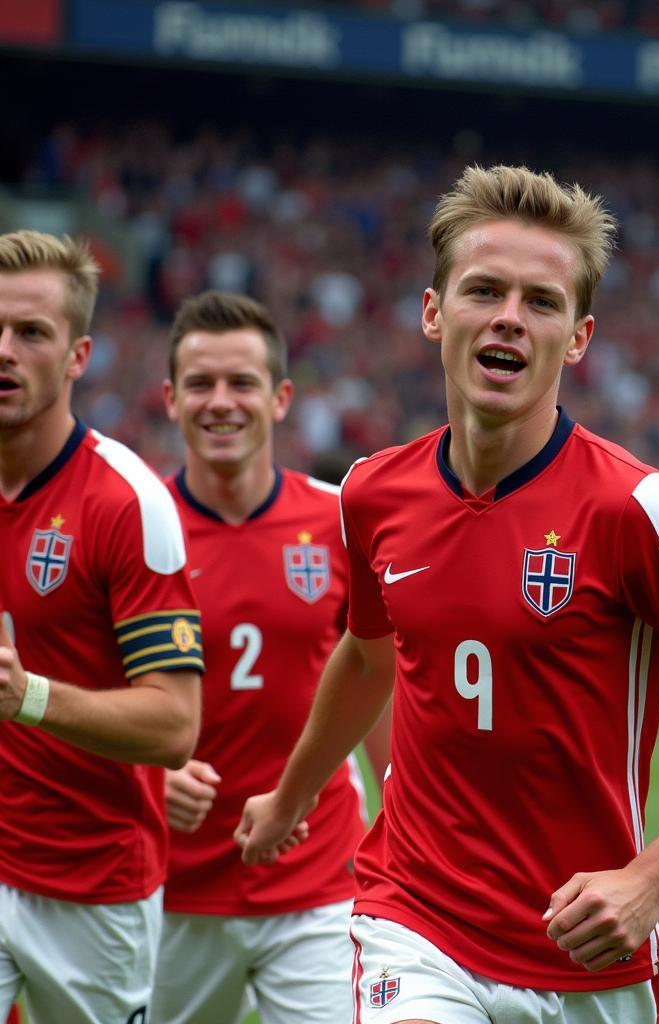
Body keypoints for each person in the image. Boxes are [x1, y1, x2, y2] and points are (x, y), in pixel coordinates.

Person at [235, 164, 659, 1023]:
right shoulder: (370, 494)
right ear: (435, 313)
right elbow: (366, 658)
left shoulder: (635, 508)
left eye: (541, 301)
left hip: (585, 948)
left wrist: (652, 877)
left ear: (577, 338)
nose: (510, 316)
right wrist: (291, 796)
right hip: (415, 920)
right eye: (484, 290)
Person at [151, 291, 390, 1024]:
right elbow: (79, 693)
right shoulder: (133, 525)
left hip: (317, 886)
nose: (221, 402)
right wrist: (141, 772)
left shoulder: (339, 520)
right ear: (170, 399)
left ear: (281, 397)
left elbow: (375, 678)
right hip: (169, 892)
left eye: (242, 383)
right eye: (201, 384)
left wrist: (400, 820)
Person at [0, 229, 203, 1023]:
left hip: (91, 890)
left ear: (78, 356)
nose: (5, 351)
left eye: (31, 333)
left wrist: (32, 697)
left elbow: (174, 724)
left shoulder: (127, 503)